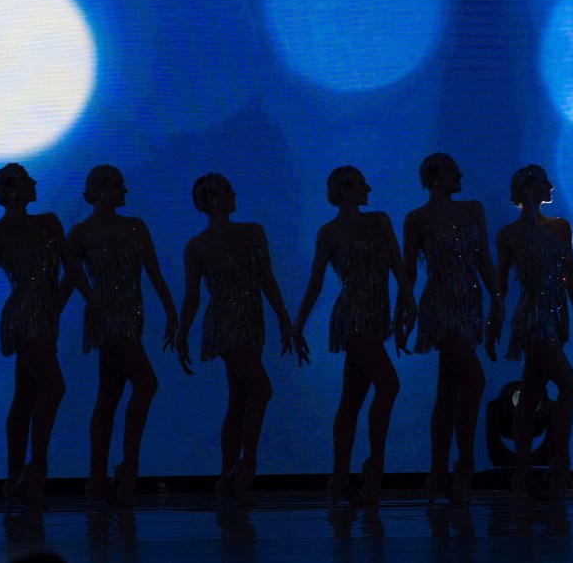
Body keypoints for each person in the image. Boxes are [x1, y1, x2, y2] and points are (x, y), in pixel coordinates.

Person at [0, 163, 96, 509]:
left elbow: (71, 265)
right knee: (53, 387)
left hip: (46, 313)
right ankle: (35, 471)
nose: (34, 182)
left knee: (26, 395)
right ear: (10, 190)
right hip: (23, 315)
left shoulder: (49, 221)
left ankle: (14, 481)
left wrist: (91, 300)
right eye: (26, 179)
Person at [175, 173, 298, 506]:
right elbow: (192, 297)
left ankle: (227, 478)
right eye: (228, 190)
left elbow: (267, 279)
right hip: (225, 322)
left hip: (252, 318)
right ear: (213, 198)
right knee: (261, 389)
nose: (233, 194)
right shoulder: (197, 246)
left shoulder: (252, 232)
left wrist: (284, 319)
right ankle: (245, 469)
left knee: (240, 400)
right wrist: (182, 332)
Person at [293, 166, 414, 504]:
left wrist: (409, 301)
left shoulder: (379, 220)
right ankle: (374, 465)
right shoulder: (329, 232)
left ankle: (340, 477)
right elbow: (316, 282)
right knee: (388, 384)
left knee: (351, 400)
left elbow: (397, 265)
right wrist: (298, 323)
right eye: (362, 183)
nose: (368, 188)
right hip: (351, 316)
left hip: (376, 315)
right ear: (346, 190)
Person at [64, 165, 179, 507]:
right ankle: (127, 472)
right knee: (146, 383)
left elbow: (154, 272)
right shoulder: (81, 232)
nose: (124, 190)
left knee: (109, 396)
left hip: (132, 315)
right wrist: (50, 317)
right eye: (118, 185)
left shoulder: (135, 227)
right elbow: (70, 280)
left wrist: (171, 313)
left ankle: (98, 479)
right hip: (105, 316)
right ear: (100, 190)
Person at [400, 153, 502, 502]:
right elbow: (409, 271)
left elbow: (483, 258)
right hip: (440, 304)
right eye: (450, 169)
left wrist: (498, 301)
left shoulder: (472, 209)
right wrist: (406, 311)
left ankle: (438, 472)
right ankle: (465, 465)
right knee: (474, 380)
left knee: (448, 393)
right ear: (432, 177)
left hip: (468, 302)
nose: (459, 173)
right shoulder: (417, 219)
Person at [490, 165, 573, 500]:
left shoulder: (561, 227)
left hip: (557, 317)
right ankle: (559, 461)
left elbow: (571, 276)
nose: (550, 186)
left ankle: (522, 471)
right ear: (527, 189)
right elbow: (501, 285)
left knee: (532, 393)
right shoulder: (509, 234)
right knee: (570, 386)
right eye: (543, 182)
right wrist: (494, 324)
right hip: (532, 319)